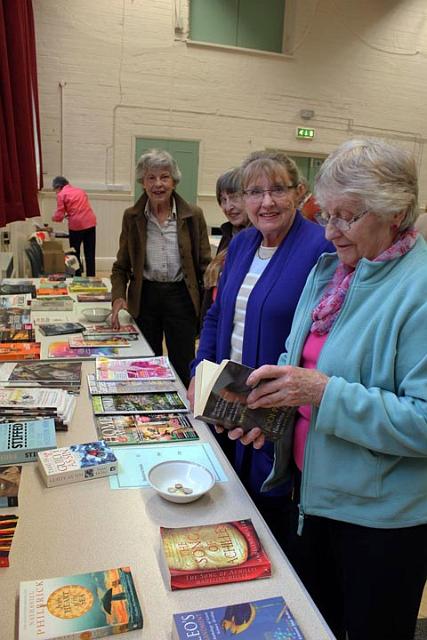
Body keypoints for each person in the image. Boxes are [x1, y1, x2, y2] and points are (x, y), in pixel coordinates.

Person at [229, 139, 427, 640]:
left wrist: (321, 392)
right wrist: (268, 415)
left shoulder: (418, 289)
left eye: (347, 217)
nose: (331, 231)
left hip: (378, 526)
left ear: (397, 213)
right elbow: (296, 365)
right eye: (326, 215)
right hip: (311, 500)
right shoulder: (333, 275)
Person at [187, 150, 333, 546]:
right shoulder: (242, 243)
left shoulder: (321, 249)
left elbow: (322, 337)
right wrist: (200, 372)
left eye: (277, 191)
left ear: (299, 193)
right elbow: (218, 314)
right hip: (224, 397)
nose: (265, 202)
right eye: (254, 192)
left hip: (275, 412)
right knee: (221, 502)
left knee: (267, 520)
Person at [110, 149, 211, 387]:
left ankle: (186, 414)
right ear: (142, 183)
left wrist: (210, 308)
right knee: (146, 361)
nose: (158, 184)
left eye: (164, 177)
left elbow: (205, 266)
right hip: (145, 298)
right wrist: (117, 298)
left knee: (184, 362)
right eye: (151, 178)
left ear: (174, 181)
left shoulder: (193, 215)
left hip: (181, 297)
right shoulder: (132, 216)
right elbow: (120, 266)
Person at [200, 168, 248, 323]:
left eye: (234, 198)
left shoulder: (261, 239)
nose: (228, 207)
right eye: (223, 200)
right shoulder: (229, 234)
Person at [52, 176, 97, 276]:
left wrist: (53, 218)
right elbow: (81, 207)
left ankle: (77, 277)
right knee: (90, 254)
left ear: (58, 187)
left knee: (75, 253)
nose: (55, 192)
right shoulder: (80, 191)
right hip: (90, 222)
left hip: (76, 226)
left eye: (55, 190)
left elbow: (59, 215)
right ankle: (91, 277)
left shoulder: (61, 194)